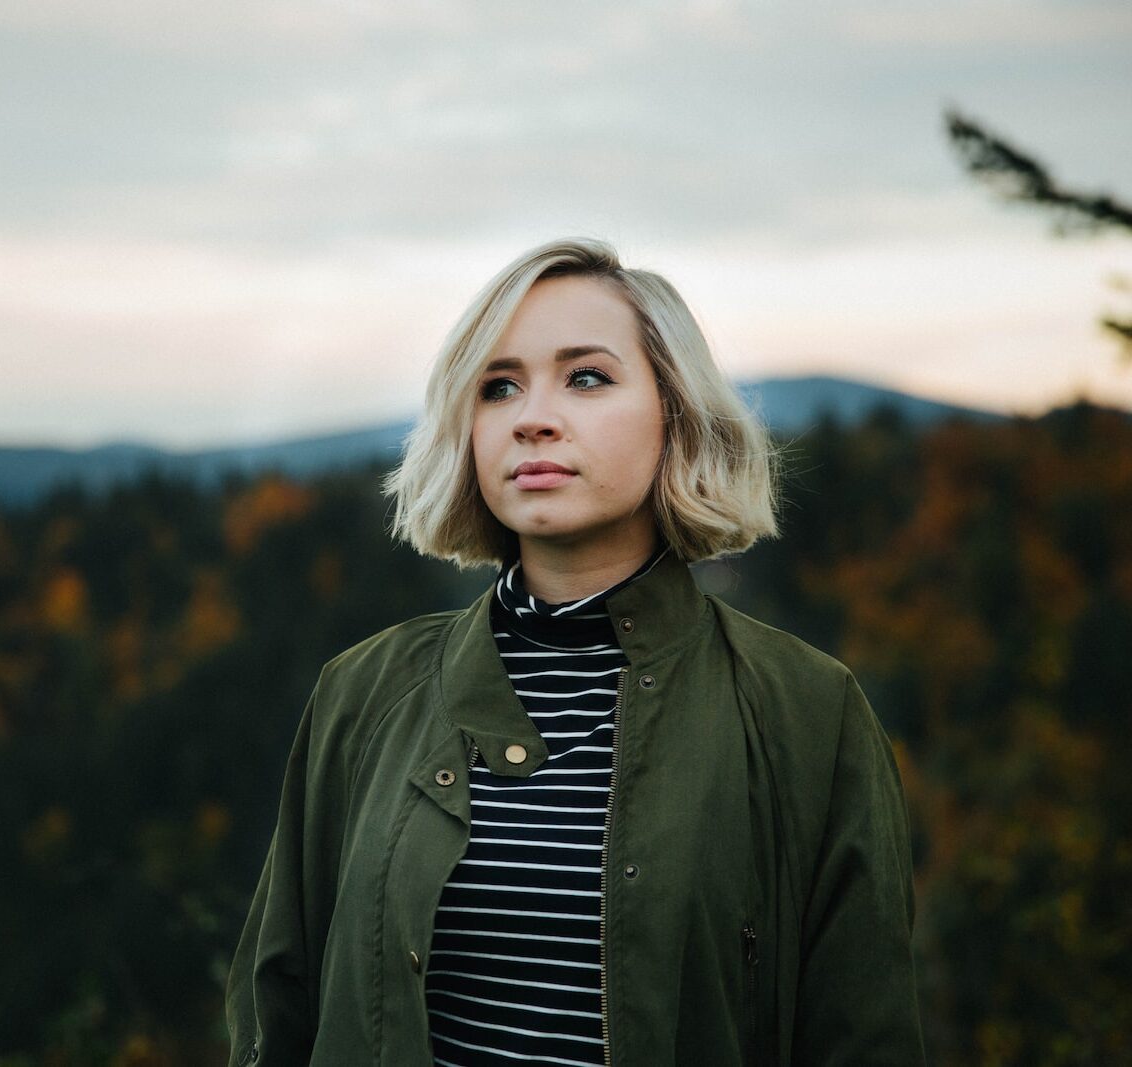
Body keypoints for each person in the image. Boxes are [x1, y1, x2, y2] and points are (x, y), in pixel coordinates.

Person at [225, 237, 925, 1066]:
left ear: (675, 411)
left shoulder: (809, 712)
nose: (532, 417)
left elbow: (863, 1034)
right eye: (498, 386)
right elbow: (277, 1013)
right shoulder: (362, 692)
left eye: (586, 377)